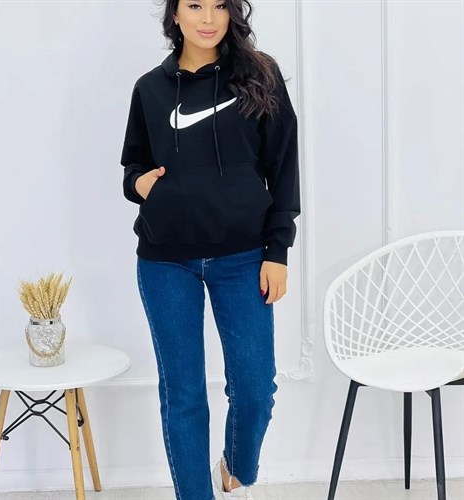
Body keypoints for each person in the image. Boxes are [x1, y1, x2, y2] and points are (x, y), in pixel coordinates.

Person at [120, 0, 300, 498]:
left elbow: (284, 167)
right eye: (194, 5)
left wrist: (277, 250)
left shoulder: (261, 76)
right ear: (175, 15)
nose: (207, 18)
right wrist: (140, 185)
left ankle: (237, 464)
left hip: (243, 257)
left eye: (219, 5)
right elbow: (132, 166)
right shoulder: (150, 89)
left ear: (232, 13)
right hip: (165, 259)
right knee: (183, 394)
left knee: (255, 386)